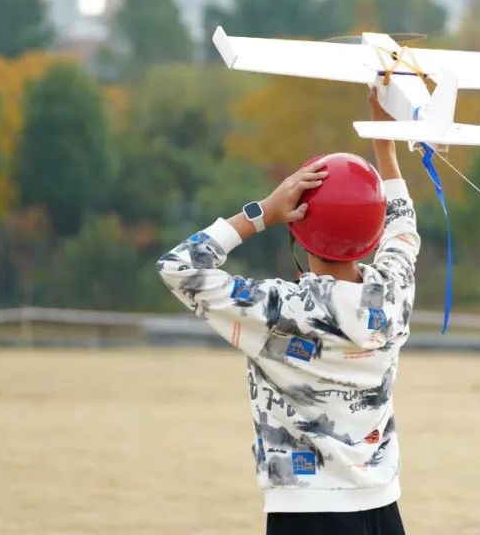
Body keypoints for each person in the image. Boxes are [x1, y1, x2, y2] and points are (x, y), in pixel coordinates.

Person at [156, 88, 418, 535]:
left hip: (305, 511)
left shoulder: (280, 310)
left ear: (300, 230)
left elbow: (178, 267)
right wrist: (384, 142)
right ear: (373, 236)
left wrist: (262, 213)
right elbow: (403, 223)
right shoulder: (393, 292)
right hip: (382, 507)